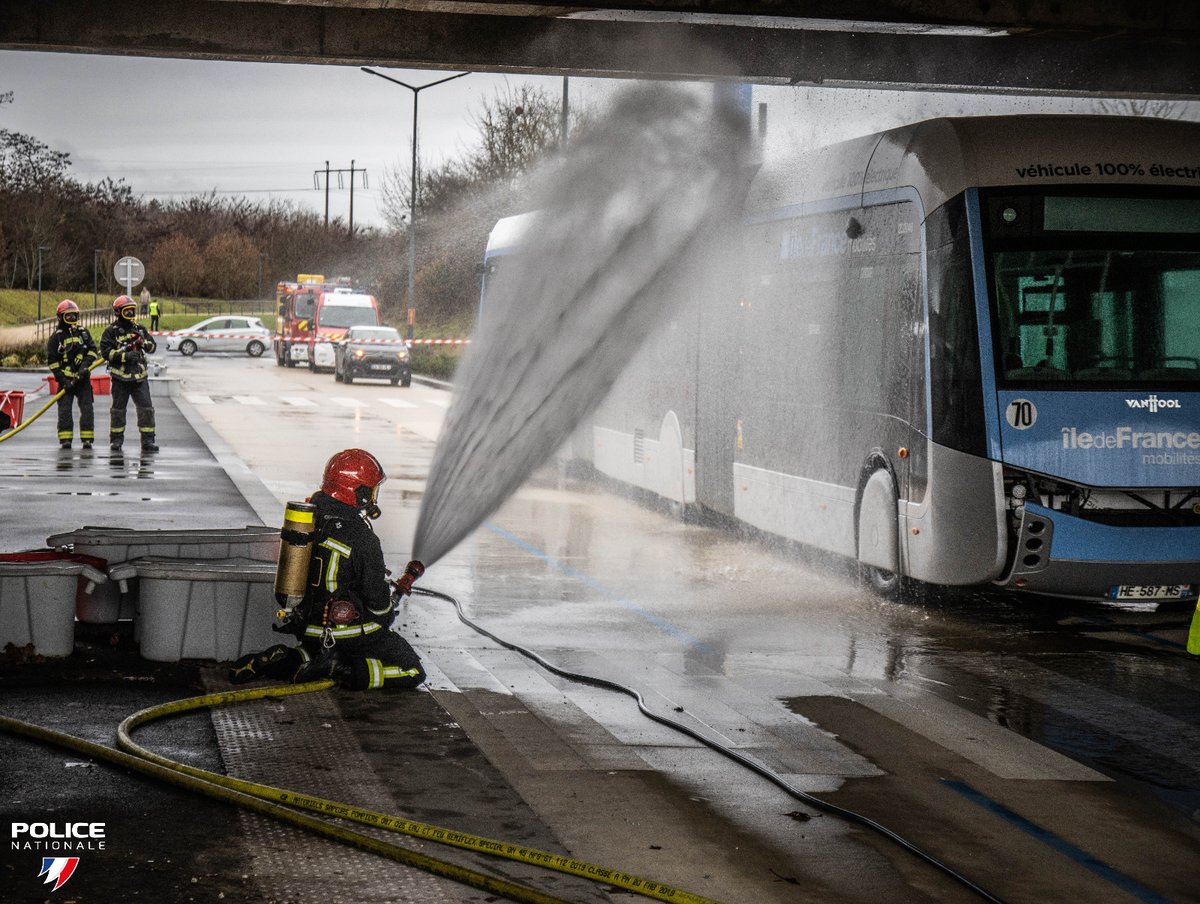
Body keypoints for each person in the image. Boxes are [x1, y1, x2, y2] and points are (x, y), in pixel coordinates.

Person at [229, 449, 426, 692]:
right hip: (346, 633)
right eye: (372, 489)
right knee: (411, 669)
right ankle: (341, 668)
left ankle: (294, 658)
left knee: (313, 658)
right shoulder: (362, 538)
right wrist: (386, 613)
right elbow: (377, 602)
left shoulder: (312, 518)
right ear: (360, 492)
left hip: (308, 628)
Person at [99, 295, 159, 453]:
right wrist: (125, 357)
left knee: (146, 410)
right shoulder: (111, 332)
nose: (131, 314)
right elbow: (106, 352)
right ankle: (116, 441)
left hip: (140, 378)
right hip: (120, 379)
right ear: (119, 312)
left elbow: (153, 346)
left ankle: (148, 441)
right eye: (127, 311)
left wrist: (143, 343)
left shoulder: (139, 329)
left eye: (133, 310)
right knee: (118, 411)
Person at [46, 299, 102, 450]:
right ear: (60, 318)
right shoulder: (56, 338)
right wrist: (63, 381)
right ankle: (65, 440)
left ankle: (87, 439)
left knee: (87, 408)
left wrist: (84, 367)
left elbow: (92, 351)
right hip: (66, 381)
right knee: (64, 410)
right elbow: (52, 362)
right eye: (68, 316)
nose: (72, 319)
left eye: (74, 316)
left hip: (82, 379)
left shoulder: (83, 333)